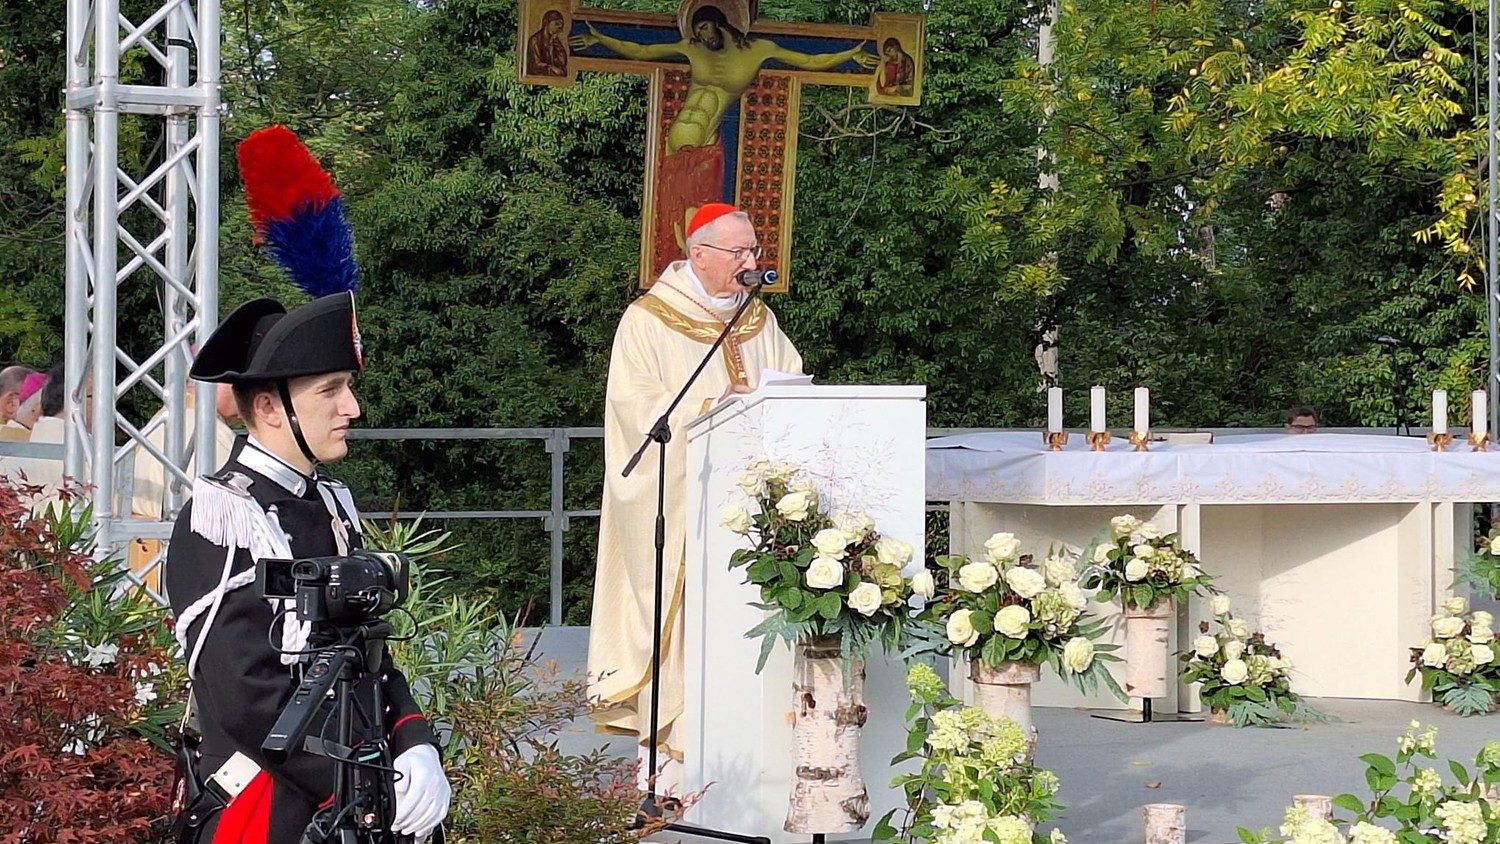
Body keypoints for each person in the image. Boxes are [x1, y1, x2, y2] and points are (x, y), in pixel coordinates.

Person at [165, 292, 450, 844]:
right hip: (273, 801)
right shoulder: (222, 517)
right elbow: (247, 695)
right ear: (270, 407)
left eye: (347, 387)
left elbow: (367, 651)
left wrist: (415, 742)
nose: (352, 408)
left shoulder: (331, 503)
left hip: (356, 789)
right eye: (330, 390)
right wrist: (368, 788)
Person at [587, 203, 803, 790]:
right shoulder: (651, 319)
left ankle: (745, 748)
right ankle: (667, 756)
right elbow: (635, 411)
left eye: (754, 252)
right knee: (676, 616)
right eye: (740, 253)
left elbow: (791, 386)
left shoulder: (760, 320)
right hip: (680, 502)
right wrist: (713, 412)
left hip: (751, 510)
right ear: (699, 255)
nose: (751, 263)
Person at [571, 2, 875, 266]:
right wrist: (599, 37)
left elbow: (809, 60)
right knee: (677, 228)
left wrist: (851, 55)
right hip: (676, 144)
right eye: (697, 30)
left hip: (706, 147)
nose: (702, 35)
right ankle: (689, 286)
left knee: (701, 223)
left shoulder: (758, 50)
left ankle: (711, 282)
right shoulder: (691, 48)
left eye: (705, 27)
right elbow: (641, 50)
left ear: (720, 22)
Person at [526, 9, 569, 77]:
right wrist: (550, 68)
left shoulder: (555, 40)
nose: (558, 27)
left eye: (560, 26)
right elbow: (535, 64)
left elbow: (562, 62)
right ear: (547, 22)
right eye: (556, 24)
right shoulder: (535, 40)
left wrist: (556, 43)